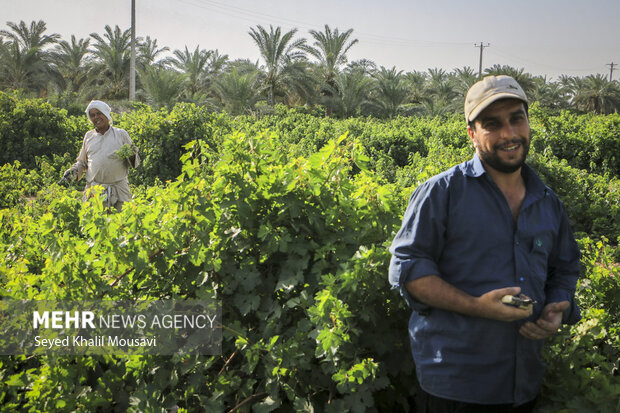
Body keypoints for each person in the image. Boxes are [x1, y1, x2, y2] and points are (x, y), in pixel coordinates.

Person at [388, 75, 580, 413]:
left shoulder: (548, 202)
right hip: (456, 385)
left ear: (528, 122)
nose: (509, 133)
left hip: (524, 382)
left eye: (516, 119)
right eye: (492, 124)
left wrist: (557, 307)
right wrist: (478, 306)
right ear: (472, 134)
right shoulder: (441, 193)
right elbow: (410, 271)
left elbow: (564, 268)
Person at [63, 100, 140, 211]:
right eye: (92, 115)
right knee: (96, 223)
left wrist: (131, 154)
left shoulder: (121, 134)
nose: (96, 117)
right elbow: (83, 162)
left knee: (122, 224)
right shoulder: (89, 136)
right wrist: (74, 171)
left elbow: (134, 162)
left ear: (106, 114)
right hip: (95, 190)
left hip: (119, 190)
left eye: (99, 113)